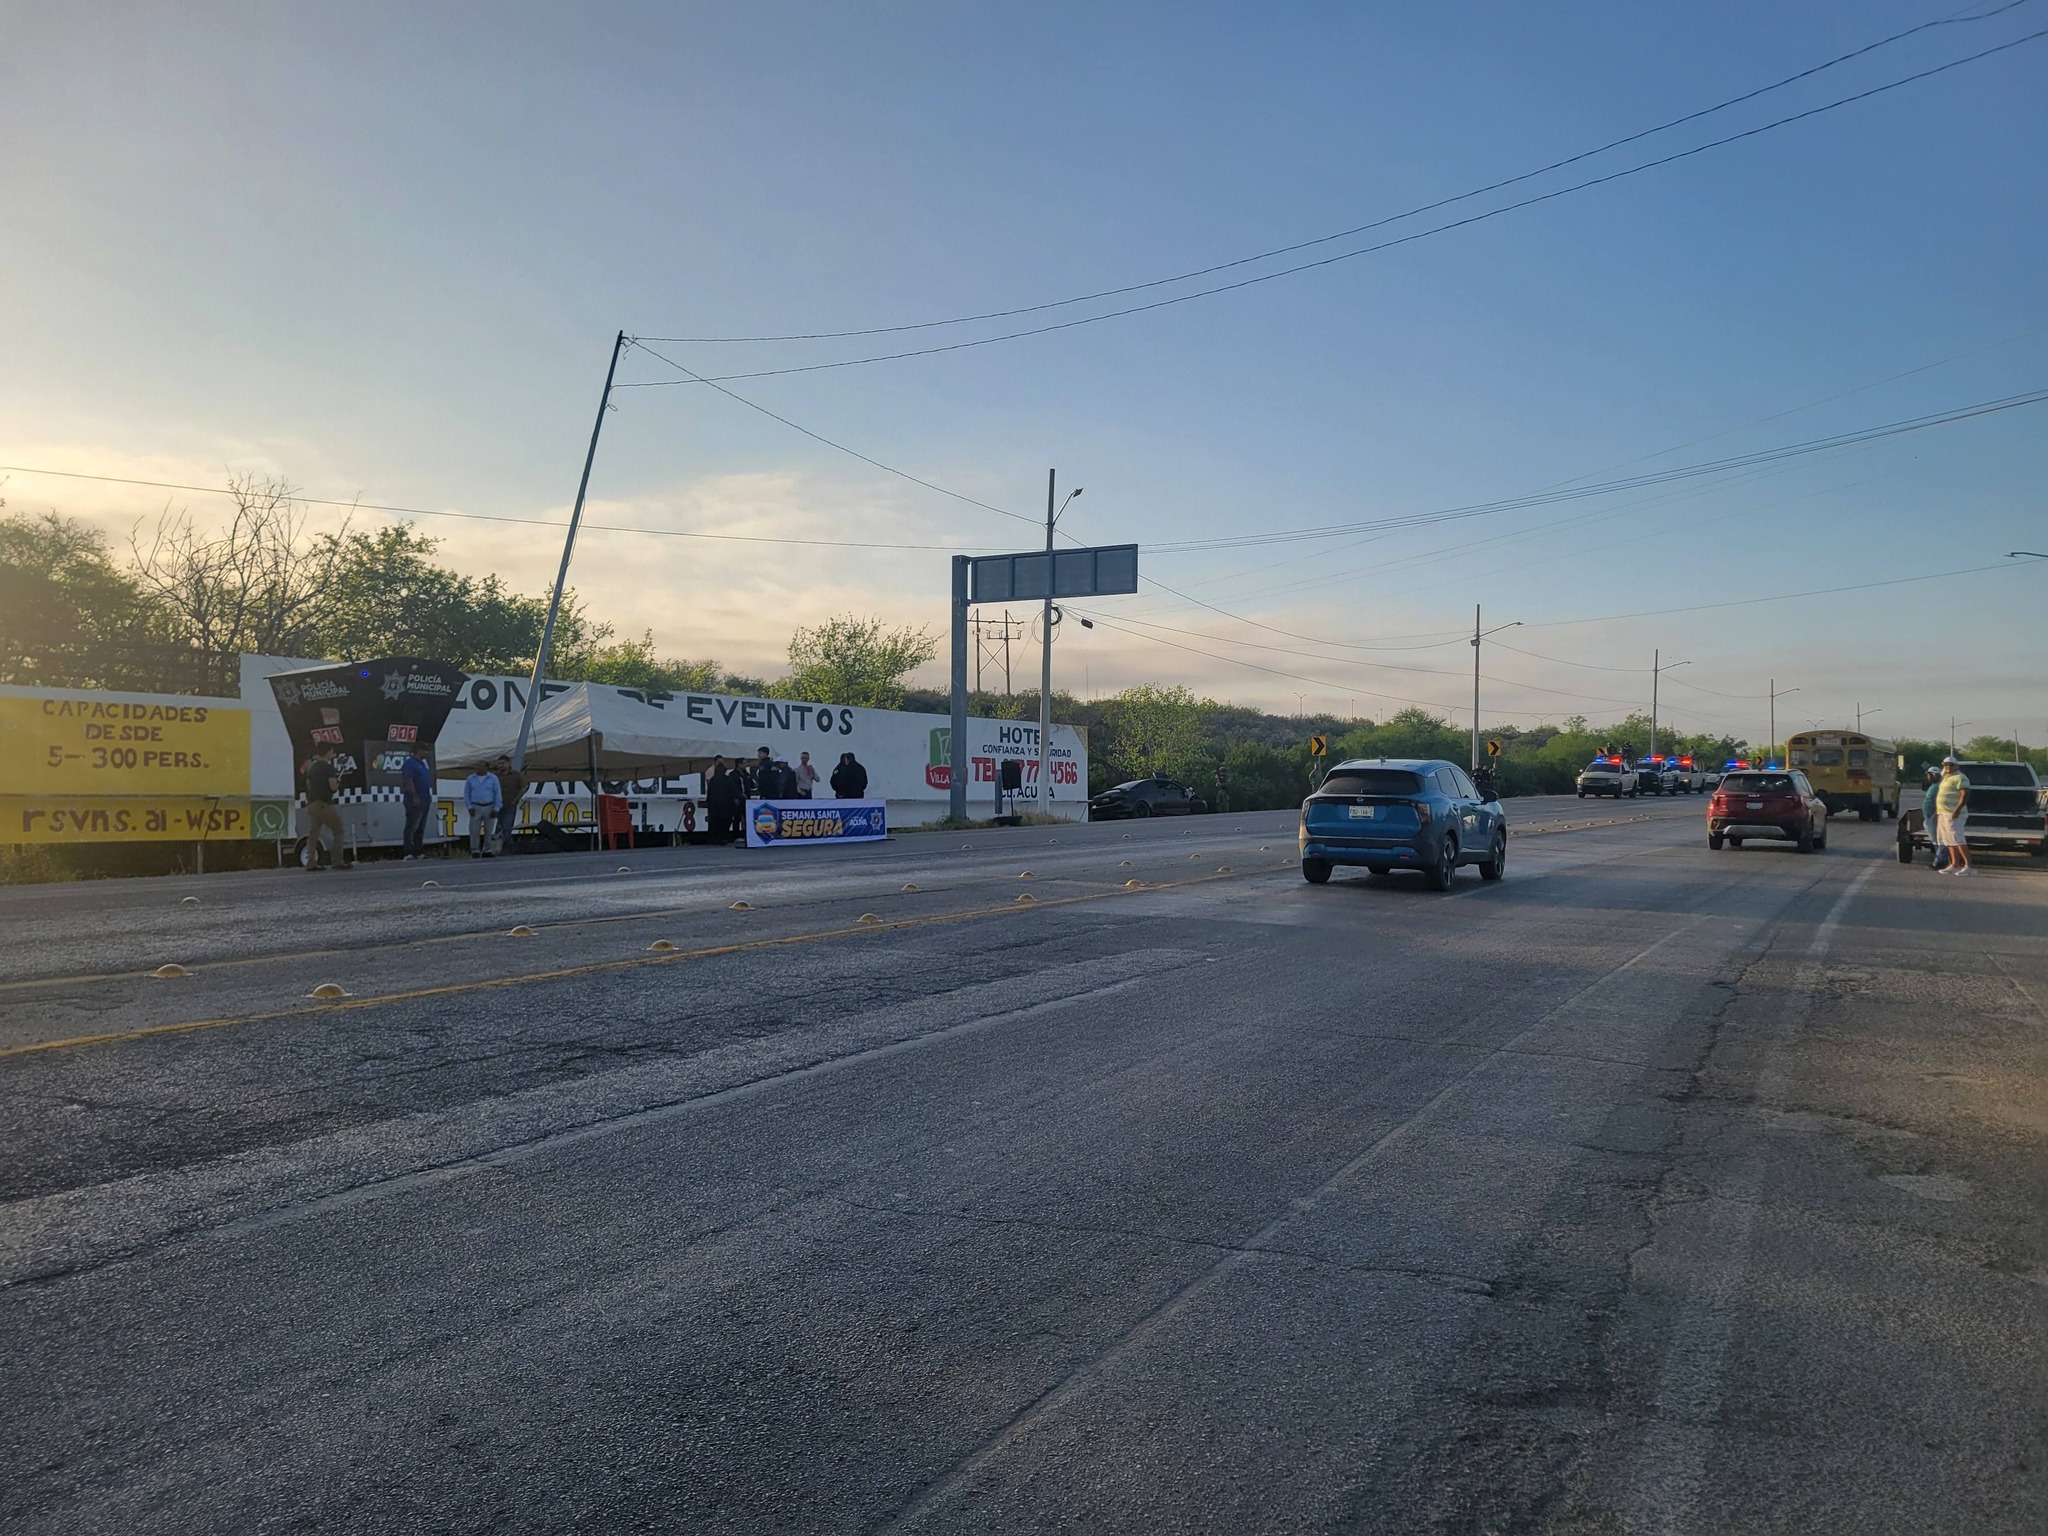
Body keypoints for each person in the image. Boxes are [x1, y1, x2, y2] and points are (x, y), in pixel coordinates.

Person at [303, 745, 346, 871]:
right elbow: (332, 786)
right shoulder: (328, 768)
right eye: (332, 752)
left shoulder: (312, 768)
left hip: (312, 804)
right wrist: (337, 784)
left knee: (313, 834)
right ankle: (337, 861)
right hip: (324, 804)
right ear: (328, 752)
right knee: (338, 830)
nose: (332, 754)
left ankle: (311, 862)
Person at [1934, 756, 1971, 876]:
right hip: (1943, 813)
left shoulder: (1960, 777)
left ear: (1956, 766)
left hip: (1954, 813)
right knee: (1949, 840)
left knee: (1958, 839)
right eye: (1945, 765)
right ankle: (1955, 865)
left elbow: (1965, 795)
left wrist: (1957, 810)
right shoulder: (1945, 777)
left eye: (1951, 765)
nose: (1948, 767)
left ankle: (1968, 866)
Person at [400, 743, 435, 861]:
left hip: (425, 799)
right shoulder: (410, 763)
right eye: (426, 751)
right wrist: (414, 796)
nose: (428, 753)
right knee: (411, 826)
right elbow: (408, 780)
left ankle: (418, 851)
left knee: (421, 827)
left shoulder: (423, 764)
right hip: (414, 800)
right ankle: (408, 852)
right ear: (419, 750)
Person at [464, 761, 503, 857]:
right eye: (476, 765)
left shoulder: (493, 779)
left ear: (486, 768)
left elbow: (497, 793)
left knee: (489, 830)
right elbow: (466, 794)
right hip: (475, 806)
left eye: (479, 766)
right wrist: (469, 806)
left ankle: (487, 849)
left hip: (489, 806)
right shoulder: (470, 779)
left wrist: (496, 808)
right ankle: (475, 850)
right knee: (474, 830)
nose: (477, 767)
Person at [705, 756, 744, 843]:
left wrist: (709, 803)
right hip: (726, 805)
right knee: (725, 822)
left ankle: (714, 838)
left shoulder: (712, 780)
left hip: (715, 805)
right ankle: (723, 837)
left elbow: (710, 793)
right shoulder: (728, 780)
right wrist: (740, 797)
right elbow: (733, 792)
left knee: (715, 822)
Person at [492, 755, 526, 855]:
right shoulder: (495, 776)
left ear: (509, 763)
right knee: (499, 828)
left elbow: (523, 787)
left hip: (510, 805)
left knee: (507, 828)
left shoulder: (516, 775)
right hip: (498, 806)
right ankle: (500, 849)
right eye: (499, 764)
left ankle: (511, 850)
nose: (501, 766)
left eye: (503, 763)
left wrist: (516, 800)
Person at [1921, 765, 1947, 871]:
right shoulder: (1934, 785)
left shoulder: (1939, 786)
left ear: (1935, 775)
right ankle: (1940, 860)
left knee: (1938, 841)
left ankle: (1940, 862)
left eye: (1930, 774)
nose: (1928, 776)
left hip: (1934, 817)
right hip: (1929, 816)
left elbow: (1940, 801)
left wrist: (1936, 814)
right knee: (1936, 841)